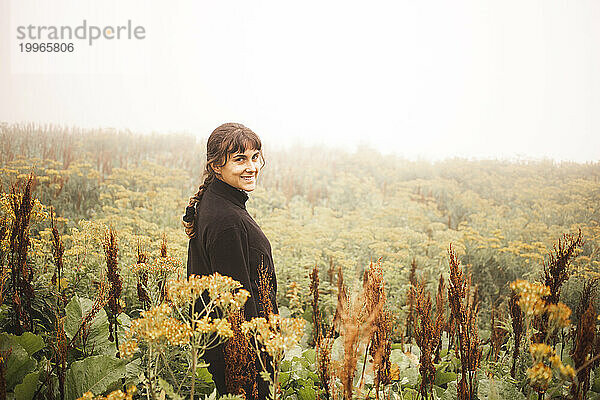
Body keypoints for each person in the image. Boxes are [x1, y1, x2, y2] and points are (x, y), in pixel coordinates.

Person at [183, 123, 278, 399]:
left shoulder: (219, 203)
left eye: (255, 156)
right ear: (216, 166)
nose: (251, 167)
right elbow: (236, 305)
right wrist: (255, 364)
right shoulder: (227, 221)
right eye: (240, 159)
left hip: (237, 350)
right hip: (242, 358)